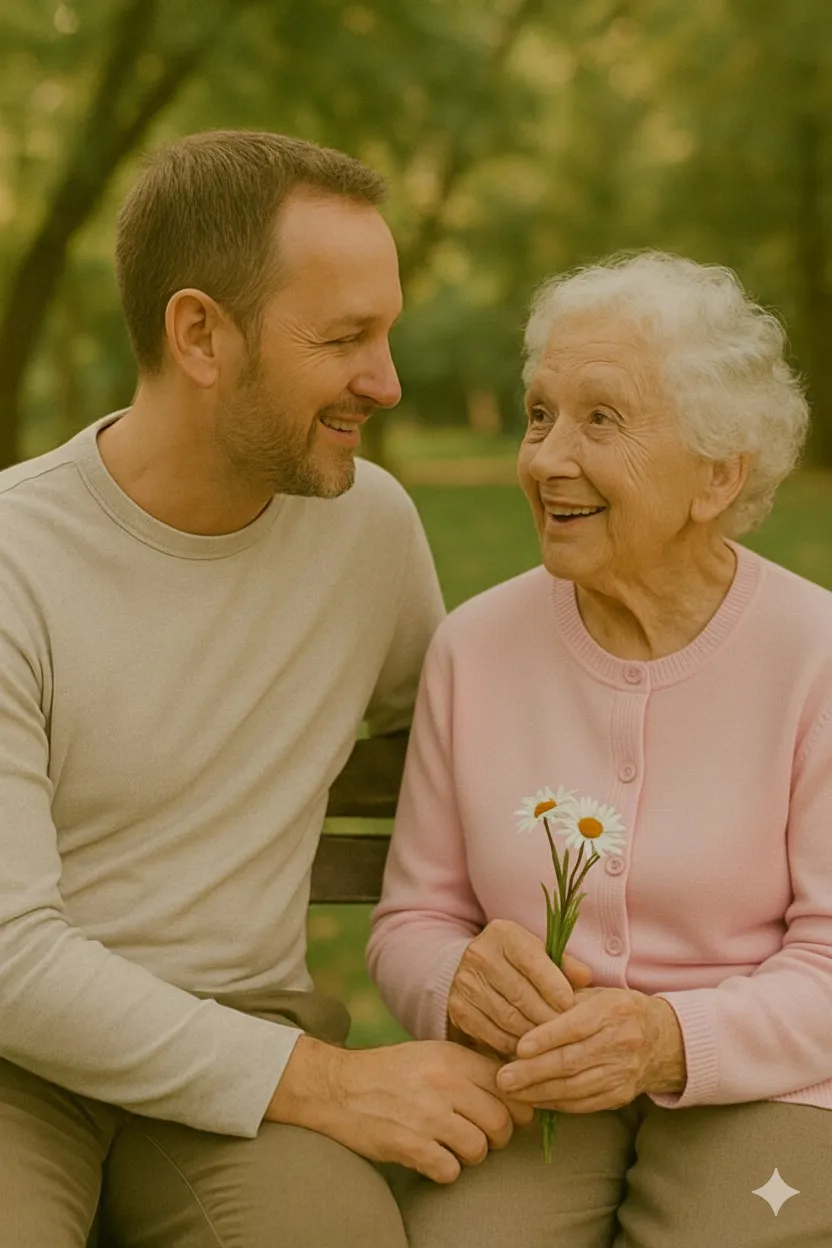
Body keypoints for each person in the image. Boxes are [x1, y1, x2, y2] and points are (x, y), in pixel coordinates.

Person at [0, 131, 536, 1248]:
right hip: (18, 1066)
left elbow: (466, 750)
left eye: (384, 332)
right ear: (200, 334)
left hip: (243, 1048)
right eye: (345, 338)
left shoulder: (369, 529)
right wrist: (333, 1086)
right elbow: (13, 960)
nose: (386, 382)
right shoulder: (16, 563)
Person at [367, 251, 832, 1247]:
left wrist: (669, 1038)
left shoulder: (814, 656)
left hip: (775, 1084)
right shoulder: (475, 648)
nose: (543, 458)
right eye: (539, 414)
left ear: (717, 474)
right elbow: (412, 919)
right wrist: (455, 983)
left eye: (599, 419)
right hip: (535, 1085)